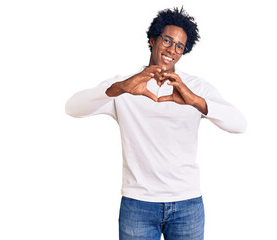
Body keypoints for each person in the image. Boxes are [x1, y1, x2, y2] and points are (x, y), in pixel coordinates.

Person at [65, 7, 246, 240]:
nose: (172, 49)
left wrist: (195, 101)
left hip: (187, 203)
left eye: (179, 46)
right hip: (138, 203)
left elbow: (239, 124)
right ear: (152, 40)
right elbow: (72, 108)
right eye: (167, 40)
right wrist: (119, 88)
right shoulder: (125, 86)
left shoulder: (196, 88)